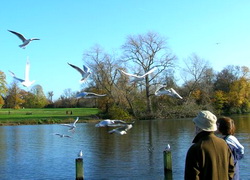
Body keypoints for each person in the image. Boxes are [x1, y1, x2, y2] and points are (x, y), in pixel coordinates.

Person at [185, 110, 235, 180]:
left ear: (199, 128)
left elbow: (192, 177)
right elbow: (231, 170)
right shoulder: (223, 144)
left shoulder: (196, 149)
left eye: (195, 124)